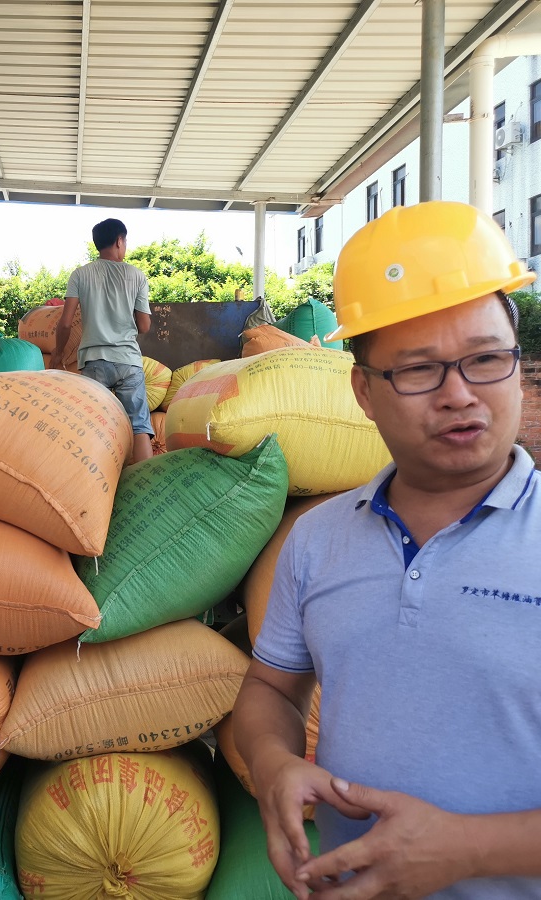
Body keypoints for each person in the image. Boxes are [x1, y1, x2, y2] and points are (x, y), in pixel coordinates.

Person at [232, 200, 541, 900]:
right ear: (364, 392)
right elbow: (269, 689)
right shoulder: (319, 538)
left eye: (487, 360)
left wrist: (464, 851)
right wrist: (274, 762)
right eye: (419, 371)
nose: (460, 396)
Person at [51, 217, 154, 464]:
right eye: (125, 241)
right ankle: (144, 484)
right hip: (128, 361)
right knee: (139, 425)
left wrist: (56, 355)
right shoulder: (137, 276)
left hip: (93, 361)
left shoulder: (80, 275)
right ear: (119, 241)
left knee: (92, 425)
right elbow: (144, 325)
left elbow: (65, 323)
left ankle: (95, 484)